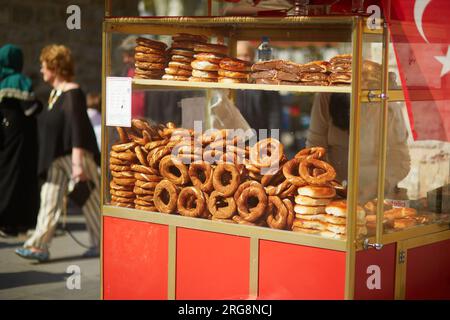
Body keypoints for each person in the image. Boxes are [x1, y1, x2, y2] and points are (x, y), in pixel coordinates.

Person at [15, 44, 101, 261]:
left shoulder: (73, 92)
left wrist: (78, 164)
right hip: (55, 160)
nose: (41, 70)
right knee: (49, 200)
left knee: (90, 201)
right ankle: (39, 245)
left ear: (54, 67)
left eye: (44, 65)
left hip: (74, 156)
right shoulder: (55, 94)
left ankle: (104, 243)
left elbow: (77, 129)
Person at [307, 92, 411, 203]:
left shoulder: (386, 100)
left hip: (379, 198)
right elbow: (314, 151)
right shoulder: (327, 96)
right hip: (334, 196)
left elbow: (401, 161)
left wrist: (379, 186)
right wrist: (329, 186)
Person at [0, 44, 41, 237]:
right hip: (18, 137)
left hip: (3, 135)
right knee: (16, 177)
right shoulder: (18, 80)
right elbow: (30, 109)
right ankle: (13, 221)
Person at [235, 41, 282, 133]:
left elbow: (274, 113)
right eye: (239, 55)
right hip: (235, 136)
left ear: (252, 57)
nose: (243, 59)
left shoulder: (264, 78)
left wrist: (274, 138)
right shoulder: (227, 81)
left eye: (246, 55)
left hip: (261, 134)